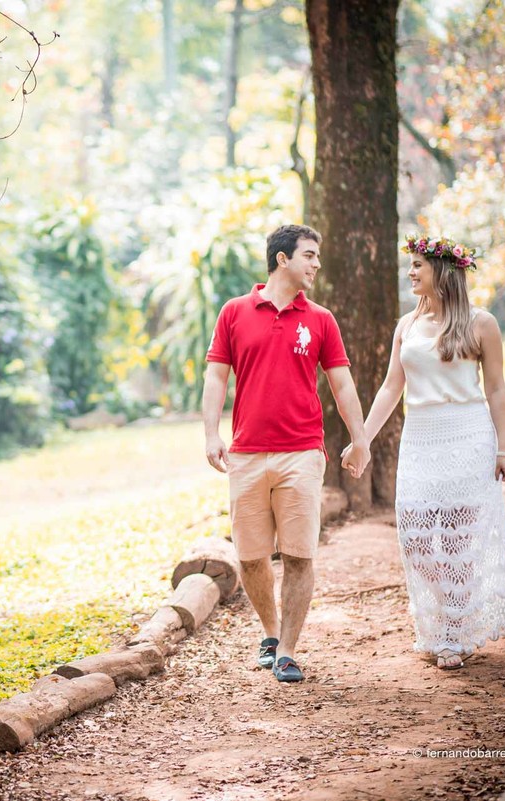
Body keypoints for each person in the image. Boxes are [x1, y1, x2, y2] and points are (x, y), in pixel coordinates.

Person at [347, 234, 505, 670]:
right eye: (410, 266)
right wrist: (363, 439)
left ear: (441, 272)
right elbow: (393, 387)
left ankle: (452, 631)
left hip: (467, 434)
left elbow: (497, 388)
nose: (410, 273)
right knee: (417, 538)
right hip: (421, 438)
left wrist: (504, 448)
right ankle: (448, 617)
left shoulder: (481, 323)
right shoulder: (406, 326)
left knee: (456, 537)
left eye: (417, 266)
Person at [203, 224, 369, 683]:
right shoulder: (234, 313)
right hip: (247, 454)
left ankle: (288, 652)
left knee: (298, 556)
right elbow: (216, 377)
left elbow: (342, 383)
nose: (316, 264)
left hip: (302, 452)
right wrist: (210, 434)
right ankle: (271, 634)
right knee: (252, 557)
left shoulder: (321, 319)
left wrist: (360, 438)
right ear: (282, 259)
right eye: (310, 255)